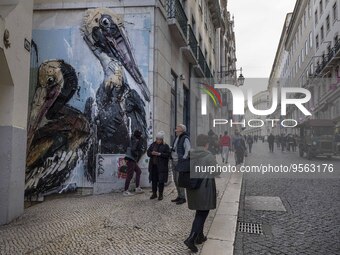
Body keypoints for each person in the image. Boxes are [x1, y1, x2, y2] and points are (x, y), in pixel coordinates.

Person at [183, 134, 217, 253]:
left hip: (192, 187)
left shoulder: (190, 153)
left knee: (200, 211)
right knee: (202, 213)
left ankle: (200, 236)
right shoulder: (208, 155)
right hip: (204, 188)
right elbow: (216, 171)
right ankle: (191, 239)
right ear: (206, 144)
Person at [147, 131, 170, 201]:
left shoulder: (165, 146)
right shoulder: (153, 145)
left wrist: (159, 154)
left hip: (162, 167)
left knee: (161, 181)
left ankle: (160, 194)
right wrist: (152, 153)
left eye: (159, 139)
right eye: (157, 139)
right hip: (153, 166)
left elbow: (168, 155)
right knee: (154, 181)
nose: (158, 140)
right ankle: (154, 194)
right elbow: (148, 152)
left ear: (162, 139)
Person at [171, 124, 190, 205]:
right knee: (175, 180)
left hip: (179, 162)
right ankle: (179, 195)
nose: (176, 130)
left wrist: (183, 158)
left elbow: (188, 149)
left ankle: (183, 197)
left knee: (179, 180)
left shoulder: (185, 138)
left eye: (177, 128)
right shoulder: (177, 137)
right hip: (174, 161)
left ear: (181, 130)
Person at [123, 130, 145, 196]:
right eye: (140, 135)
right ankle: (125, 191)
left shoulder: (132, 139)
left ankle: (137, 188)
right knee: (130, 175)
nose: (141, 136)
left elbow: (127, 148)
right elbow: (133, 149)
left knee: (138, 171)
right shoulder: (136, 141)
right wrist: (136, 155)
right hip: (131, 159)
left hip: (130, 159)